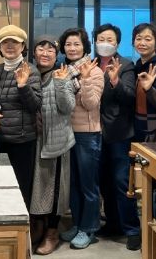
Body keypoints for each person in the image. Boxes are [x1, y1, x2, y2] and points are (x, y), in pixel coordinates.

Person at [93, 24, 140, 251]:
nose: (105, 43)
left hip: (119, 132)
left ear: (117, 43)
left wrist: (115, 82)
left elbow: (130, 97)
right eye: (101, 38)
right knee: (104, 181)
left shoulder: (126, 65)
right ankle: (113, 223)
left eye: (109, 39)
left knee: (122, 181)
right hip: (94, 132)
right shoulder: (90, 64)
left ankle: (132, 229)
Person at [58, 27, 104, 250]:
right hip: (68, 133)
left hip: (88, 134)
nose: (72, 48)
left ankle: (89, 229)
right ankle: (77, 224)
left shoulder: (94, 71)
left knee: (88, 184)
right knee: (74, 184)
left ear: (85, 46)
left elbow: (91, 103)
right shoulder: (64, 70)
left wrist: (85, 80)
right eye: (68, 44)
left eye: (76, 44)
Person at [30, 35, 75, 255]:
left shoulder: (62, 74)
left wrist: (61, 83)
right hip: (34, 140)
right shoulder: (30, 73)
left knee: (56, 188)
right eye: (41, 49)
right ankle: (38, 226)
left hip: (57, 140)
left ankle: (52, 232)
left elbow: (68, 107)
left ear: (56, 55)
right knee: (38, 186)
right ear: (34, 53)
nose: (45, 53)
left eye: (50, 50)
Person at [0, 25, 42, 211]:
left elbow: (35, 105)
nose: (10, 46)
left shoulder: (31, 70)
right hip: (0, 139)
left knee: (21, 187)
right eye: (5, 42)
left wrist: (23, 86)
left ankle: (21, 227)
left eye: (15, 42)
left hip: (22, 140)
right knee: (0, 186)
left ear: (23, 47)